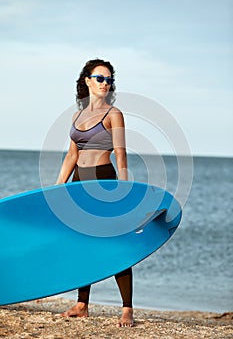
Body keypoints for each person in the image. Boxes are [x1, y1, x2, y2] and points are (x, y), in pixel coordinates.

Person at [55, 59, 134, 327]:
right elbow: (72, 155)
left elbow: (121, 155)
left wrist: (125, 191)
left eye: (109, 79)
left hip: (103, 181)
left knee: (115, 242)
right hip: (78, 181)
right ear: (87, 80)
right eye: (100, 78)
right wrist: (58, 187)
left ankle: (126, 309)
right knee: (81, 242)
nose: (105, 83)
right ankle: (82, 304)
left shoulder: (114, 114)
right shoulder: (77, 116)